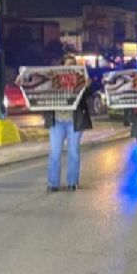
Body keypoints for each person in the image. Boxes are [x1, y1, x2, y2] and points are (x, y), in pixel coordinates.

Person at [43, 54, 93, 192]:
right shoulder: (53, 80)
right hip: (57, 120)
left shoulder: (81, 79)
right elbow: (38, 89)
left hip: (74, 120)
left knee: (73, 151)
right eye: (66, 64)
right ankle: (53, 184)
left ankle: (72, 182)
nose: (69, 67)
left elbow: (87, 95)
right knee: (55, 152)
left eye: (72, 64)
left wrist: (87, 85)